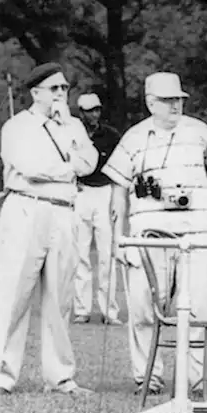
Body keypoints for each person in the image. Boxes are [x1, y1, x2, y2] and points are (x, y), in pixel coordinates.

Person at [103, 71, 207, 398]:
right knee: (144, 308)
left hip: (194, 234)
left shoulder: (199, 130)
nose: (176, 106)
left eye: (179, 100)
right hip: (147, 236)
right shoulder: (133, 138)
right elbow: (118, 189)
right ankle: (148, 378)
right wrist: (118, 236)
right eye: (168, 100)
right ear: (150, 103)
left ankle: (202, 381)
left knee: (199, 306)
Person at [0, 63, 99, 395]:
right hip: (26, 207)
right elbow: (31, 167)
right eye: (54, 89)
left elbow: (90, 163)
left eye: (64, 89)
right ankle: (2, 374)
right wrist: (69, 168)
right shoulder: (17, 126)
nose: (61, 95)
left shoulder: (74, 125)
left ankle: (60, 376)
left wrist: (70, 156)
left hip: (64, 211)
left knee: (60, 296)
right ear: (36, 93)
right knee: (14, 292)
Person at [72, 93, 123, 325]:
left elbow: (121, 166)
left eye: (96, 110)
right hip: (80, 191)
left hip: (104, 192)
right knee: (79, 253)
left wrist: (116, 197)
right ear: (80, 113)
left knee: (107, 254)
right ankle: (82, 308)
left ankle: (108, 310)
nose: (93, 115)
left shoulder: (111, 136)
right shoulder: (72, 133)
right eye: (88, 111)